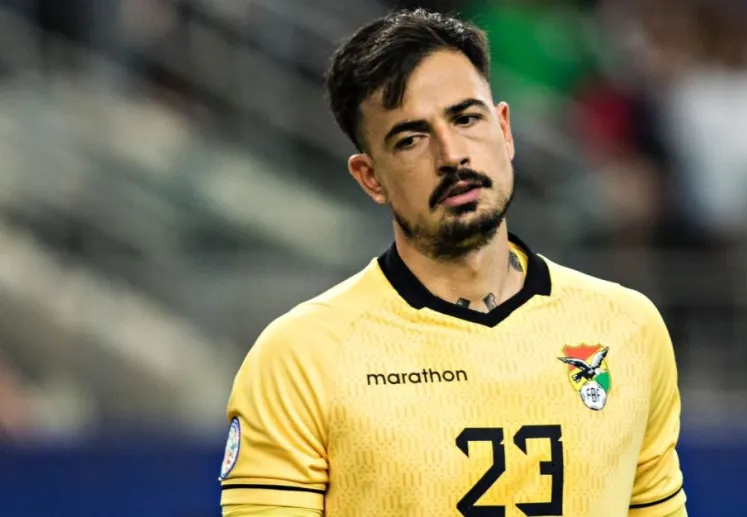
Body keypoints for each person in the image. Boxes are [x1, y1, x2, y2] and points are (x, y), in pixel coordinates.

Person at [218, 9, 687, 517]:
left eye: (466, 118)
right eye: (411, 138)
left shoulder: (628, 328)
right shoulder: (300, 358)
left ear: (504, 130)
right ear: (369, 177)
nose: (452, 155)